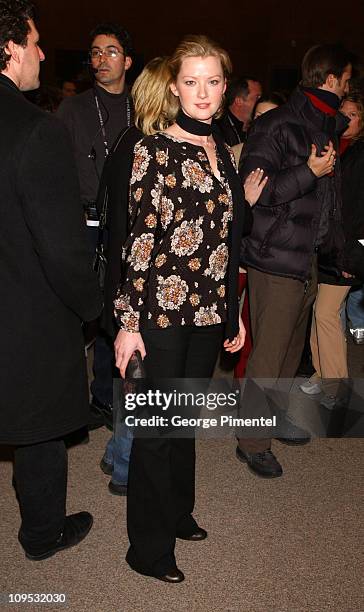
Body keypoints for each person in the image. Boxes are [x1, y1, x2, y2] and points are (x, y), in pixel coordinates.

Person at [113, 35, 266, 583]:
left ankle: (177, 513)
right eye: (191, 82)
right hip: (159, 311)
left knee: (183, 422)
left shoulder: (222, 148)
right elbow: (139, 240)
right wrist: (128, 324)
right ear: (174, 87)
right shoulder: (151, 149)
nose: (203, 93)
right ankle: (146, 549)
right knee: (158, 428)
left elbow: (226, 239)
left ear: (225, 85)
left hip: (207, 312)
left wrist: (233, 310)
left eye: (214, 81)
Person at [0, 0, 102, 560]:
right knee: (39, 429)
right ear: (12, 49)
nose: (42, 53)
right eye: (35, 42)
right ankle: (42, 535)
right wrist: (93, 306)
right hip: (26, 313)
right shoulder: (36, 131)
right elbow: (62, 249)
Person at [237, 43, 352, 477]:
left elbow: (328, 203)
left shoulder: (320, 123)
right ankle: (251, 441)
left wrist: (335, 250)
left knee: (288, 354)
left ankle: (273, 416)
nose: (348, 85)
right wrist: (310, 172)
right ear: (328, 80)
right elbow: (258, 191)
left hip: (304, 257)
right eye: (344, 78)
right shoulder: (277, 124)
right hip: (274, 256)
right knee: (268, 355)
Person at [97, 57, 172, 495]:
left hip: (119, 275)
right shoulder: (152, 149)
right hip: (138, 281)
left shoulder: (127, 138)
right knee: (145, 382)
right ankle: (126, 470)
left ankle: (113, 454)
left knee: (132, 376)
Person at [57, 22, 134, 430]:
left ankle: (106, 396)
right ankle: (67, 398)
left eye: (111, 51)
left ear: (129, 60)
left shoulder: (141, 107)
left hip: (125, 225)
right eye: (95, 52)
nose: (101, 59)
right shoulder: (72, 110)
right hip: (83, 224)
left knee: (116, 315)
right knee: (74, 315)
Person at [300, 89, 364, 406]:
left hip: (346, 248)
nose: (346, 119)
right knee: (322, 311)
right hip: (327, 245)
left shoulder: (360, 153)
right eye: (344, 113)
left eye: (353, 115)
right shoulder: (334, 146)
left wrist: (354, 253)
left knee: (326, 312)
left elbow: (357, 212)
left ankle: (337, 386)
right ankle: (321, 373)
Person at [216, 75, 262, 145]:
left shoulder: (257, 127)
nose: (262, 102)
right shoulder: (218, 130)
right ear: (239, 101)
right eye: (257, 98)